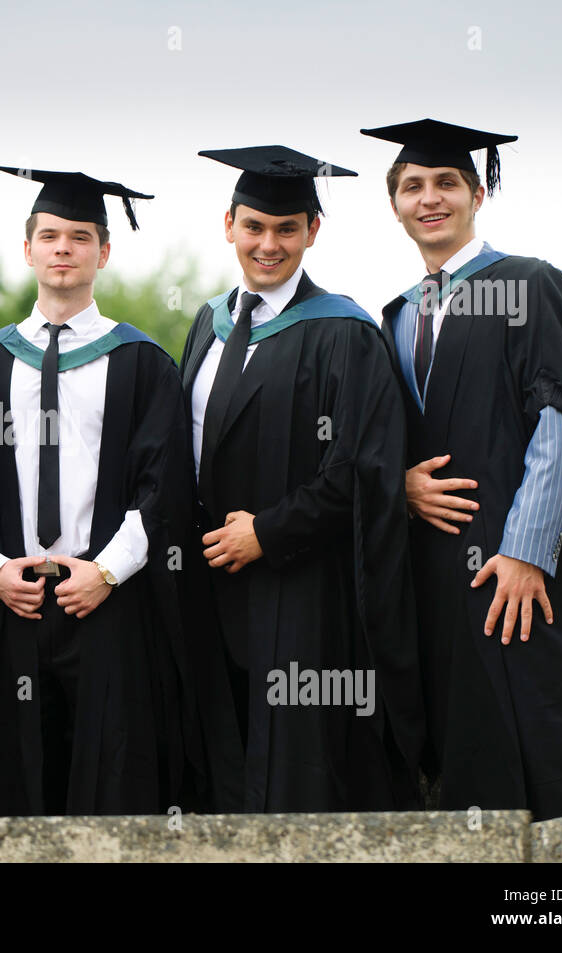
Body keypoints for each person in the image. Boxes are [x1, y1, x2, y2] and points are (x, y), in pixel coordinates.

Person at [361, 119, 562, 819]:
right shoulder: (396, 316)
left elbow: (558, 418)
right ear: (394, 205)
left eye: (446, 183)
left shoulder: (528, 284)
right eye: (413, 187)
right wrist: (400, 483)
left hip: (522, 578)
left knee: (552, 752)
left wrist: (527, 551)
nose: (429, 198)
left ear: (477, 194)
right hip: (439, 587)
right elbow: (385, 437)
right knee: (472, 769)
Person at [180, 146, 424, 812]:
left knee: (294, 769)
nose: (269, 244)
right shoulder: (209, 322)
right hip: (212, 587)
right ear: (228, 224)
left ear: (313, 231)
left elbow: (362, 466)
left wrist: (268, 531)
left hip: (302, 592)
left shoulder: (344, 331)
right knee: (222, 762)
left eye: (287, 229)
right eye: (254, 226)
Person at [0, 167, 198, 815]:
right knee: (11, 786)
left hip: (105, 604)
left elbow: (161, 490)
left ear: (104, 252)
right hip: (13, 600)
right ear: (27, 248)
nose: (64, 248)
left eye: (81, 236)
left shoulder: (142, 363)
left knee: (109, 784)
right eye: (50, 236)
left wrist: (107, 572)